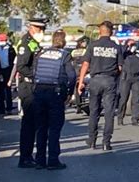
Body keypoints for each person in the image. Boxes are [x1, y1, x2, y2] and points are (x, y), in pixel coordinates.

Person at [32, 30, 76, 170]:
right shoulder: (65, 55)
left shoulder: (41, 54)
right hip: (55, 94)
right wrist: (69, 92)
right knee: (54, 128)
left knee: (41, 127)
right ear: (63, 42)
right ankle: (52, 160)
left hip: (39, 92)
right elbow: (71, 76)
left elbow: (34, 72)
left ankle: (39, 160)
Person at [78, 21, 123, 151]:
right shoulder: (116, 47)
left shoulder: (93, 45)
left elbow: (85, 65)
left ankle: (92, 140)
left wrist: (81, 82)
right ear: (112, 32)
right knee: (109, 113)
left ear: (100, 31)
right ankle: (106, 142)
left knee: (94, 111)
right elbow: (120, 67)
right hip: (109, 81)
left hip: (95, 81)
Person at [16, 18, 49, 168]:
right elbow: (22, 66)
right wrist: (36, 75)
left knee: (34, 123)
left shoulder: (34, 43)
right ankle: (25, 157)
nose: (42, 32)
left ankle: (29, 155)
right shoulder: (25, 43)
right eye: (40, 29)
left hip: (33, 87)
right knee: (28, 124)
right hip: (28, 88)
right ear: (32, 28)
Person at [117, 39, 139, 126]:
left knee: (136, 99)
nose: (134, 46)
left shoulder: (138, 55)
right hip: (126, 78)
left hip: (136, 78)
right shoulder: (124, 55)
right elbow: (120, 53)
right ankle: (120, 118)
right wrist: (127, 46)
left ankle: (135, 119)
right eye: (132, 44)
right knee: (123, 99)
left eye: (134, 44)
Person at [0, 33, 16, 115]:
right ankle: (1, 108)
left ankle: (9, 108)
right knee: (0, 90)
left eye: (3, 40)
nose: (2, 42)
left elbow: (14, 61)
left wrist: (13, 74)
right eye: (1, 41)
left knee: (8, 90)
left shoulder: (10, 49)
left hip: (8, 71)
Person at [71, 36, 89, 114]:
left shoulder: (73, 52)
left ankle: (78, 106)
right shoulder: (86, 51)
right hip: (83, 71)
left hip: (75, 72)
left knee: (77, 88)